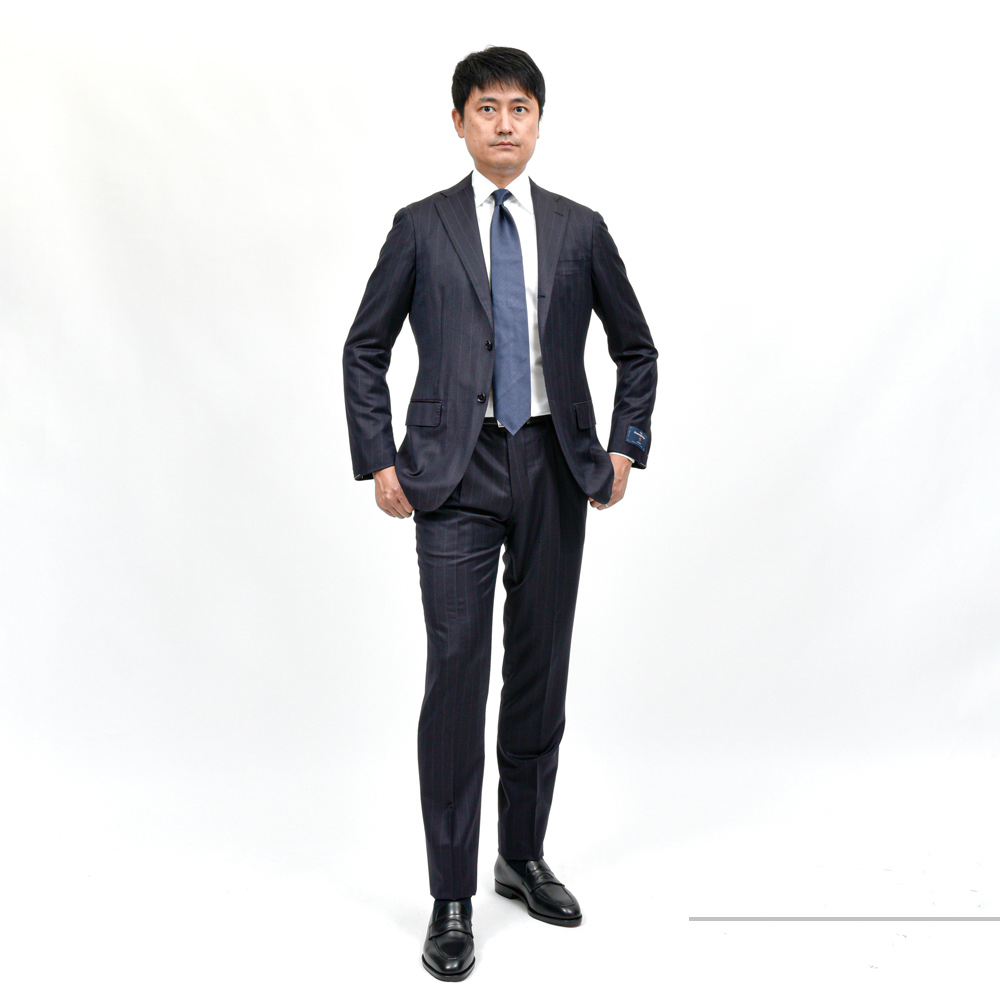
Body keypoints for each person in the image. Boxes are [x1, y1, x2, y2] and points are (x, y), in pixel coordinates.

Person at [343, 46, 657, 981]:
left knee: (538, 669)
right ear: (459, 122)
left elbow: (636, 348)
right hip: (453, 471)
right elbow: (364, 349)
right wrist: (379, 459)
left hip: (556, 465)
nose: (505, 123)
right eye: (488, 108)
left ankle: (521, 856)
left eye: (521, 107)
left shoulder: (580, 229)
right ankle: (451, 896)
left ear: (539, 120)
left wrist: (625, 445)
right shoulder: (421, 226)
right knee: (456, 673)